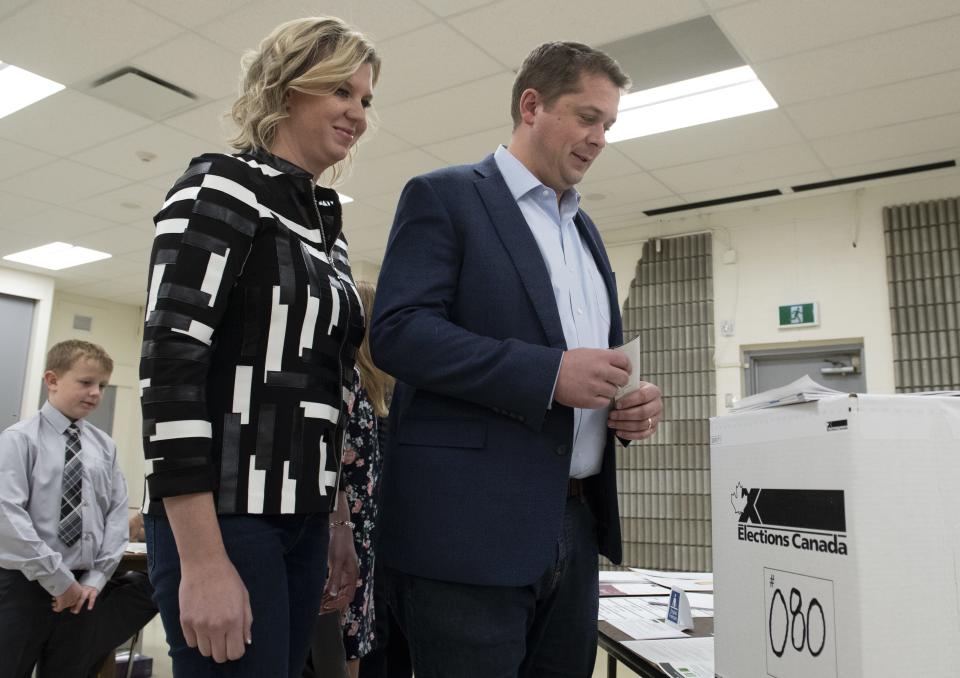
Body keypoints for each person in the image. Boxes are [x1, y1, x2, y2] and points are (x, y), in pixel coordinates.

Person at [370, 41, 664, 677]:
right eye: (588, 117)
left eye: (609, 125)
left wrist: (626, 402)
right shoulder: (445, 197)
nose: (600, 138)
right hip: (468, 535)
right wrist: (549, 374)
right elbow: (398, 331)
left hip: (576, 526)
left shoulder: (587, 232)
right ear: (532, 106)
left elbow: (595, 365)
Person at [139, 16, 380, 677]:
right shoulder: (219, 185)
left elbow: (327, 386)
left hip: (302, 518)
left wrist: (334, 519)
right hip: (224, 515)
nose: (358, 113)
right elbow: (169, 370)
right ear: (288, 87)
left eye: (365, 99)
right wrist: (204, 562)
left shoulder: (326, 228)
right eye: (342, 92)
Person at [0, 340, 128, 678]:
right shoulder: (18, 440)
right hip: (24, 587)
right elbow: (7, 517)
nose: (95, 393)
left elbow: (116, 517)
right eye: (85, 382)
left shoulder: (105, 447)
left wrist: (95, 581)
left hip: (83, 590)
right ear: (52, 380)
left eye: (102, 385)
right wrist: (59, 582)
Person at [305, 281, 394, 678]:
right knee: (335, 657)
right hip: (341, 545)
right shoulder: (348, 381)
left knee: (343, 651)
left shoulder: (366, 387)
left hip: (357, 545)